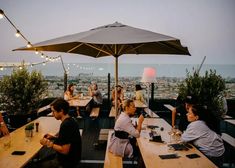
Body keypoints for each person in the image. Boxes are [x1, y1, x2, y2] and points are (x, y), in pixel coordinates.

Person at [39, 98, 82, 168]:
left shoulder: (66, 125)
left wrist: (48, 143)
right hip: (74, 157)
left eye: (53, 111)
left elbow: (65, 151)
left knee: (37, 165)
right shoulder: (71, 120)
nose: (52, 114)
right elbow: (67, 139)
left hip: (67, 161)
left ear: (61, 110)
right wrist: (53, 137)